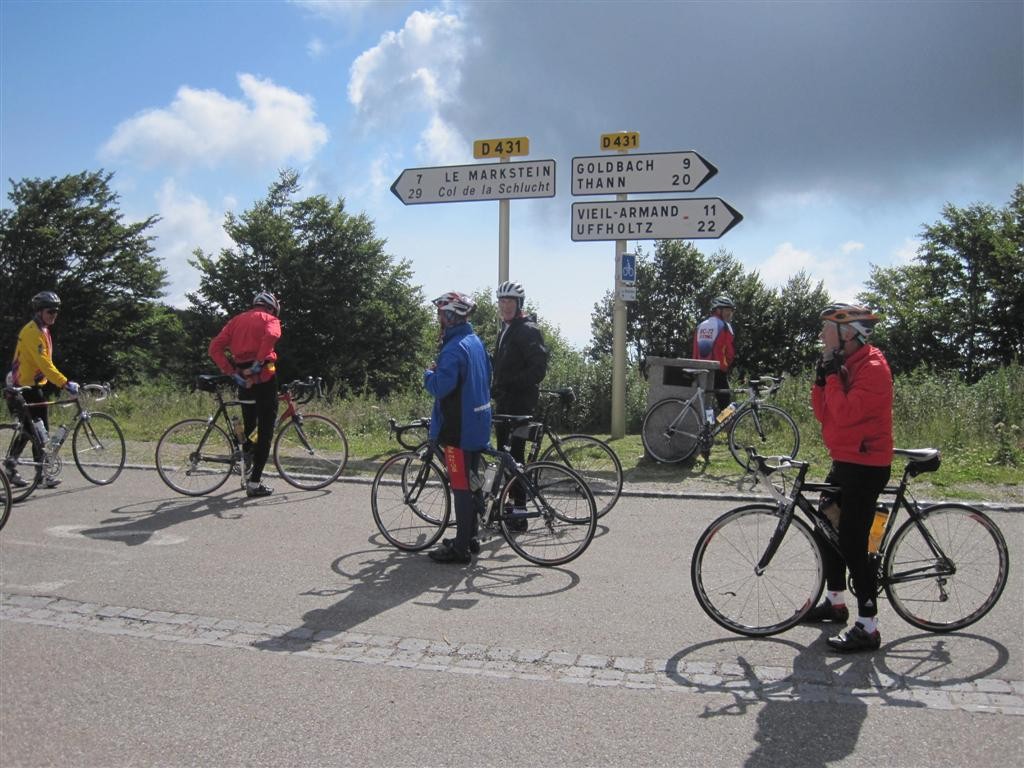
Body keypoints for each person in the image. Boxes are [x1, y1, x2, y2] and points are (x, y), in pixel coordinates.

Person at [803, 303, 893, 653]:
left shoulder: (873, 367)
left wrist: (831, 377)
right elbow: (823, 413)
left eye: (827, 328)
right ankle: (835, 603)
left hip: (866, 464)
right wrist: (821, 379)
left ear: (848, 333)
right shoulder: (845, 363)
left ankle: (868, 626)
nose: (821, 334)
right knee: (824, 528)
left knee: (854, 542)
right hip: (845, 459)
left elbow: (844, 414)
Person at [424, 291, 492, 564]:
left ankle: (461, 548)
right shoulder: (475, 341)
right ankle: (470, 537)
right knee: (473, 482)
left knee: (461, 487)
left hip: (459, 429)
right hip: (479, 422)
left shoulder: (453, 348)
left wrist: (428, 375)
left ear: (450, 316)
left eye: (441, 314)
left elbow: (441, 386)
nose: (439, 318)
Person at [208, 290, 282, 498]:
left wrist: (231, 372)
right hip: (265, 377)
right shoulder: (270, 319)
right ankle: (254, 483)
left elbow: (214, 348)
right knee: (266, 430)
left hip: (243, 379)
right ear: (271, 308)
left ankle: (245, 459)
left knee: (250, 425)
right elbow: (272, 335)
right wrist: (259, 361)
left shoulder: (235, 321)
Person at [4, 291, 79, 489]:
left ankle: (28, 471)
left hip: (34, 387)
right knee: (34, 431)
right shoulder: (32, 332)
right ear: (39, 312)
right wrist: (65, 383)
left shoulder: (42, 329)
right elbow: (44, 364)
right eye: (50, 311)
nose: (54, 315)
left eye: (56, 311)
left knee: (37, 431)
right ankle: (30, 472)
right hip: (23, 387)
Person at [490, 281, 549, 528]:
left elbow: (538, 370)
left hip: (520, 407)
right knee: (505, 456)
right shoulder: (507, 330)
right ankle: (509, 506)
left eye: (510, 302)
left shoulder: (528, 330)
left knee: (516, 456)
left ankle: (520, 513)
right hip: (505, 406)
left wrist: (509, 384)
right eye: (502, 301)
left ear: (519, 304)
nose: (505, 306)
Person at [692, 295, 736, 411]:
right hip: (718, 369)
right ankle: (725, 422)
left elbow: (695, 350)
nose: (730, 314)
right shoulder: (725, 326)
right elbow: (730, 352)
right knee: (725, 403)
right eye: (727, 310)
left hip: (700, 369)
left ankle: (705, 422)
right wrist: (726, 366)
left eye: (731, 311)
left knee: (704, 402)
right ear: (718, 310)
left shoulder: (700, 326)